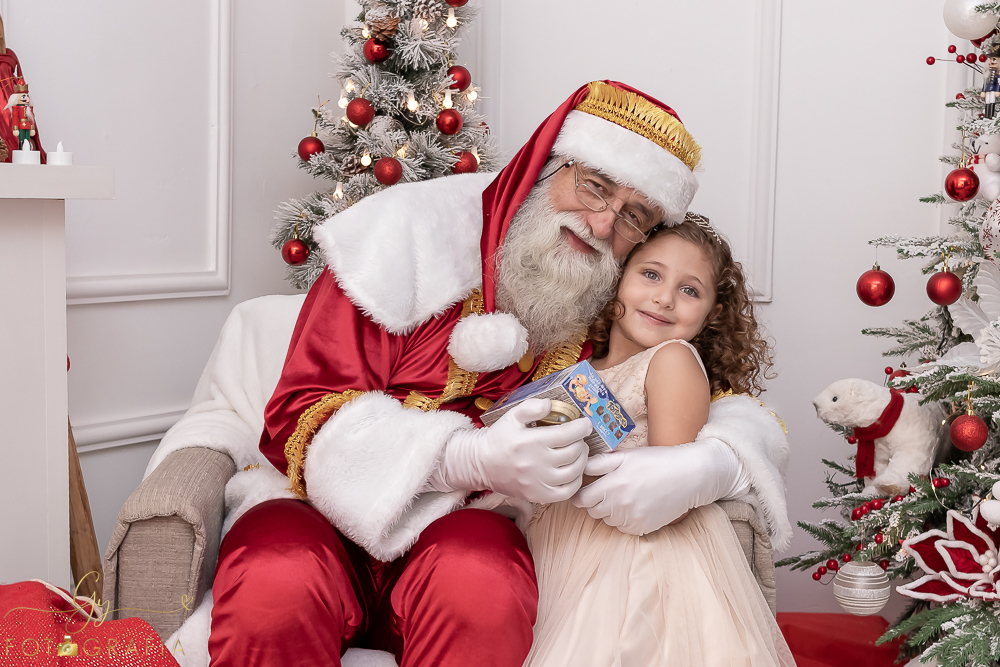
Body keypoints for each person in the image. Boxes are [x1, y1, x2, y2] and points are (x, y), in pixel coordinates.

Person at [207, 81, 791, 667]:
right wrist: (467, 459)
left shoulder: (611, 294)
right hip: (324, 515)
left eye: (632, 215)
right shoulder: (405, 237)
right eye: (594, 186)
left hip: (472, 532)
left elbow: (714, 396)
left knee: (480, 574)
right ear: (546, 167)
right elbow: (298, 412)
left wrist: (710, 464)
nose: (601, 221)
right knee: (273, 572)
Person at [524, 216, 794, 667]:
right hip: (567, 544)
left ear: (711, 316)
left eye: (690, 291)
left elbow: (663, 483)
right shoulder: (576, 373)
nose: (664, 298)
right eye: (651, 274)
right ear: (617, 281)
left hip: (639, 556)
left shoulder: (672, 359)